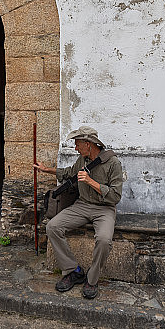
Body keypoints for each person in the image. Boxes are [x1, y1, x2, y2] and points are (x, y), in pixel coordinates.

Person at [33, 126, 123, 299]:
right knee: (53, 227)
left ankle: (92, 278)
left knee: (104, 240)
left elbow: (115, 196)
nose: (75, 148)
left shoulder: (113, 163)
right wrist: (47, 170)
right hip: (82, 205)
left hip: (104, 209)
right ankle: (73, 270)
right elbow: (69, 173)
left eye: (77, 144)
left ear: (88, 144)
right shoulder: (82, 160)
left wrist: (91, 182)